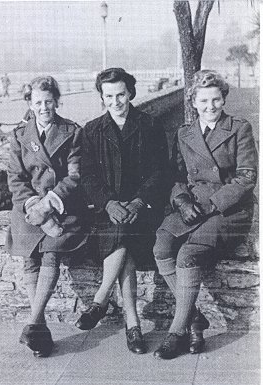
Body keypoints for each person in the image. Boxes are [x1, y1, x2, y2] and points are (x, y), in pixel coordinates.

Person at [153, 70, 258, 359]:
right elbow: (176, 176)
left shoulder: (240, 128)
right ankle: (195, 317)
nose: (210, 106)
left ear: (224, 98)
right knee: (161, 245)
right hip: (194, 205)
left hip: (229, 208)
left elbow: (247, 177)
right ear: (193, 102)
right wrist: (183, 200)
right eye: (204, 100)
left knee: (188, 254)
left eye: (216, 99)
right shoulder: (184, 133)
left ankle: (177, 331)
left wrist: (213, 204)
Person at [75, 68, 170, 354]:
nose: (115, 102)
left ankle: (101, 301)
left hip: (143, 209)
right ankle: (133, 325)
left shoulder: (149, 125)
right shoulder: (91, 131)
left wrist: (140, 201)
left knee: (124, 234)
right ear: (101, 97)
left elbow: (160, 171)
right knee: (122, 236)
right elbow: (87, 176)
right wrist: (108, 203)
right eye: (109, 96)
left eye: (120, 95)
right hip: (108, 213)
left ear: (130, 92)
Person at [6, 76, 87, 358]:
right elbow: (15, 178)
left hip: (62, 206)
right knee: (30, 258)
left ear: (57, 101)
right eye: (38, 102)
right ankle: (39, 327)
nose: (44, 108)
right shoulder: (19, 136)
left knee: (51, 253)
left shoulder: (72, 131)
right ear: (29, 103)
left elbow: (75, 176)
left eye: (49, 102)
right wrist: (34, 206)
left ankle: (32, 324)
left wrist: (49, 204)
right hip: (28, 208)